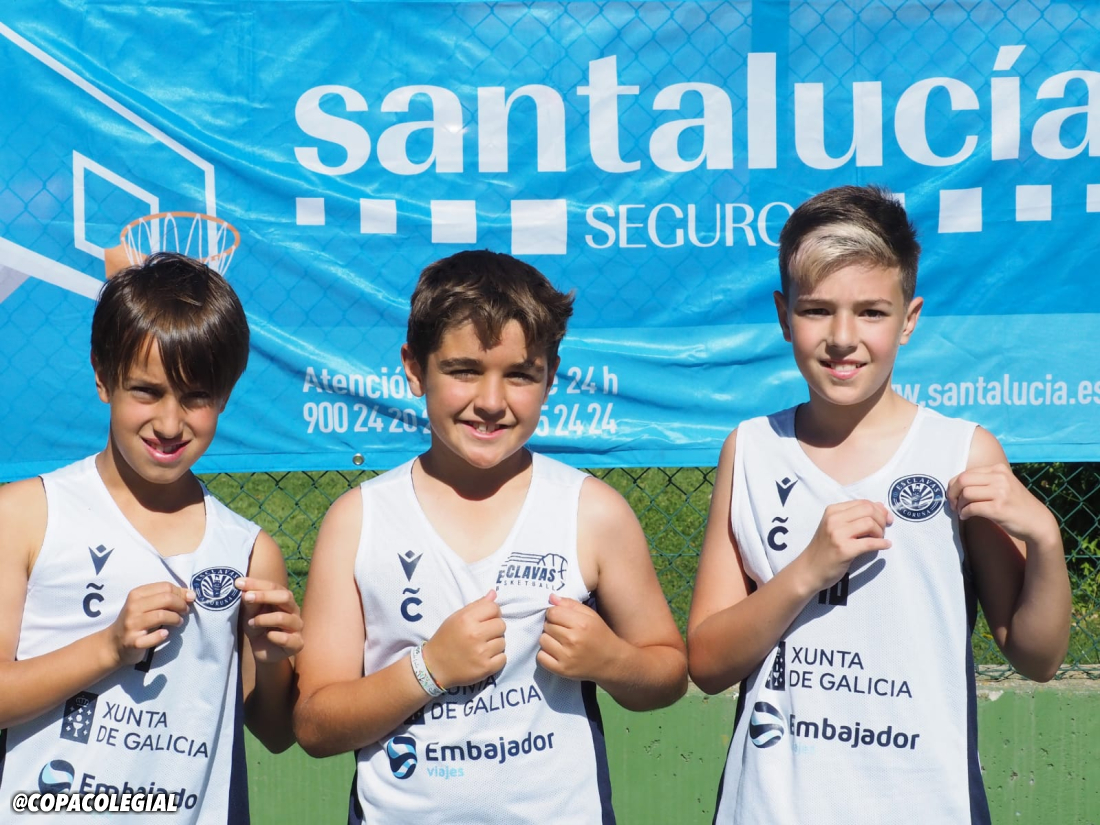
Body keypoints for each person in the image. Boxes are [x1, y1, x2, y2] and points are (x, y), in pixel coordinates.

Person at [687, 185, 1070, 824]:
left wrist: (1047, 539)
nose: (843, 338)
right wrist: (806, 572)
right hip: (773, 806)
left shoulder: (961, 452)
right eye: (817, 310)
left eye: (871, 312)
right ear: (783, 314)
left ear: (908, 318)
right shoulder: (751, 449)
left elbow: (1038, 656)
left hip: (925, 804)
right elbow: (706, 662)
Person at [293, 249, 687, 823]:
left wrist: (611, 660)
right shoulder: (358, 521)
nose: (491, 402)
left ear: (550, 376)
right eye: (464, 371)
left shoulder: (592, 512)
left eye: (520, 374)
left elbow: (667, 673)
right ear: (414, 368)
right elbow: (314, 724)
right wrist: (429, 669)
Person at [0, 252, 303, 821]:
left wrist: (272, 661)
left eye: (196, 396)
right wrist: (108, 648)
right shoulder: (25, 515)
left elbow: (276, 731)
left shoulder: (248, 551)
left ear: (226, 394)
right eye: (146, 391)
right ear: (103, 376)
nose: (168, 423)